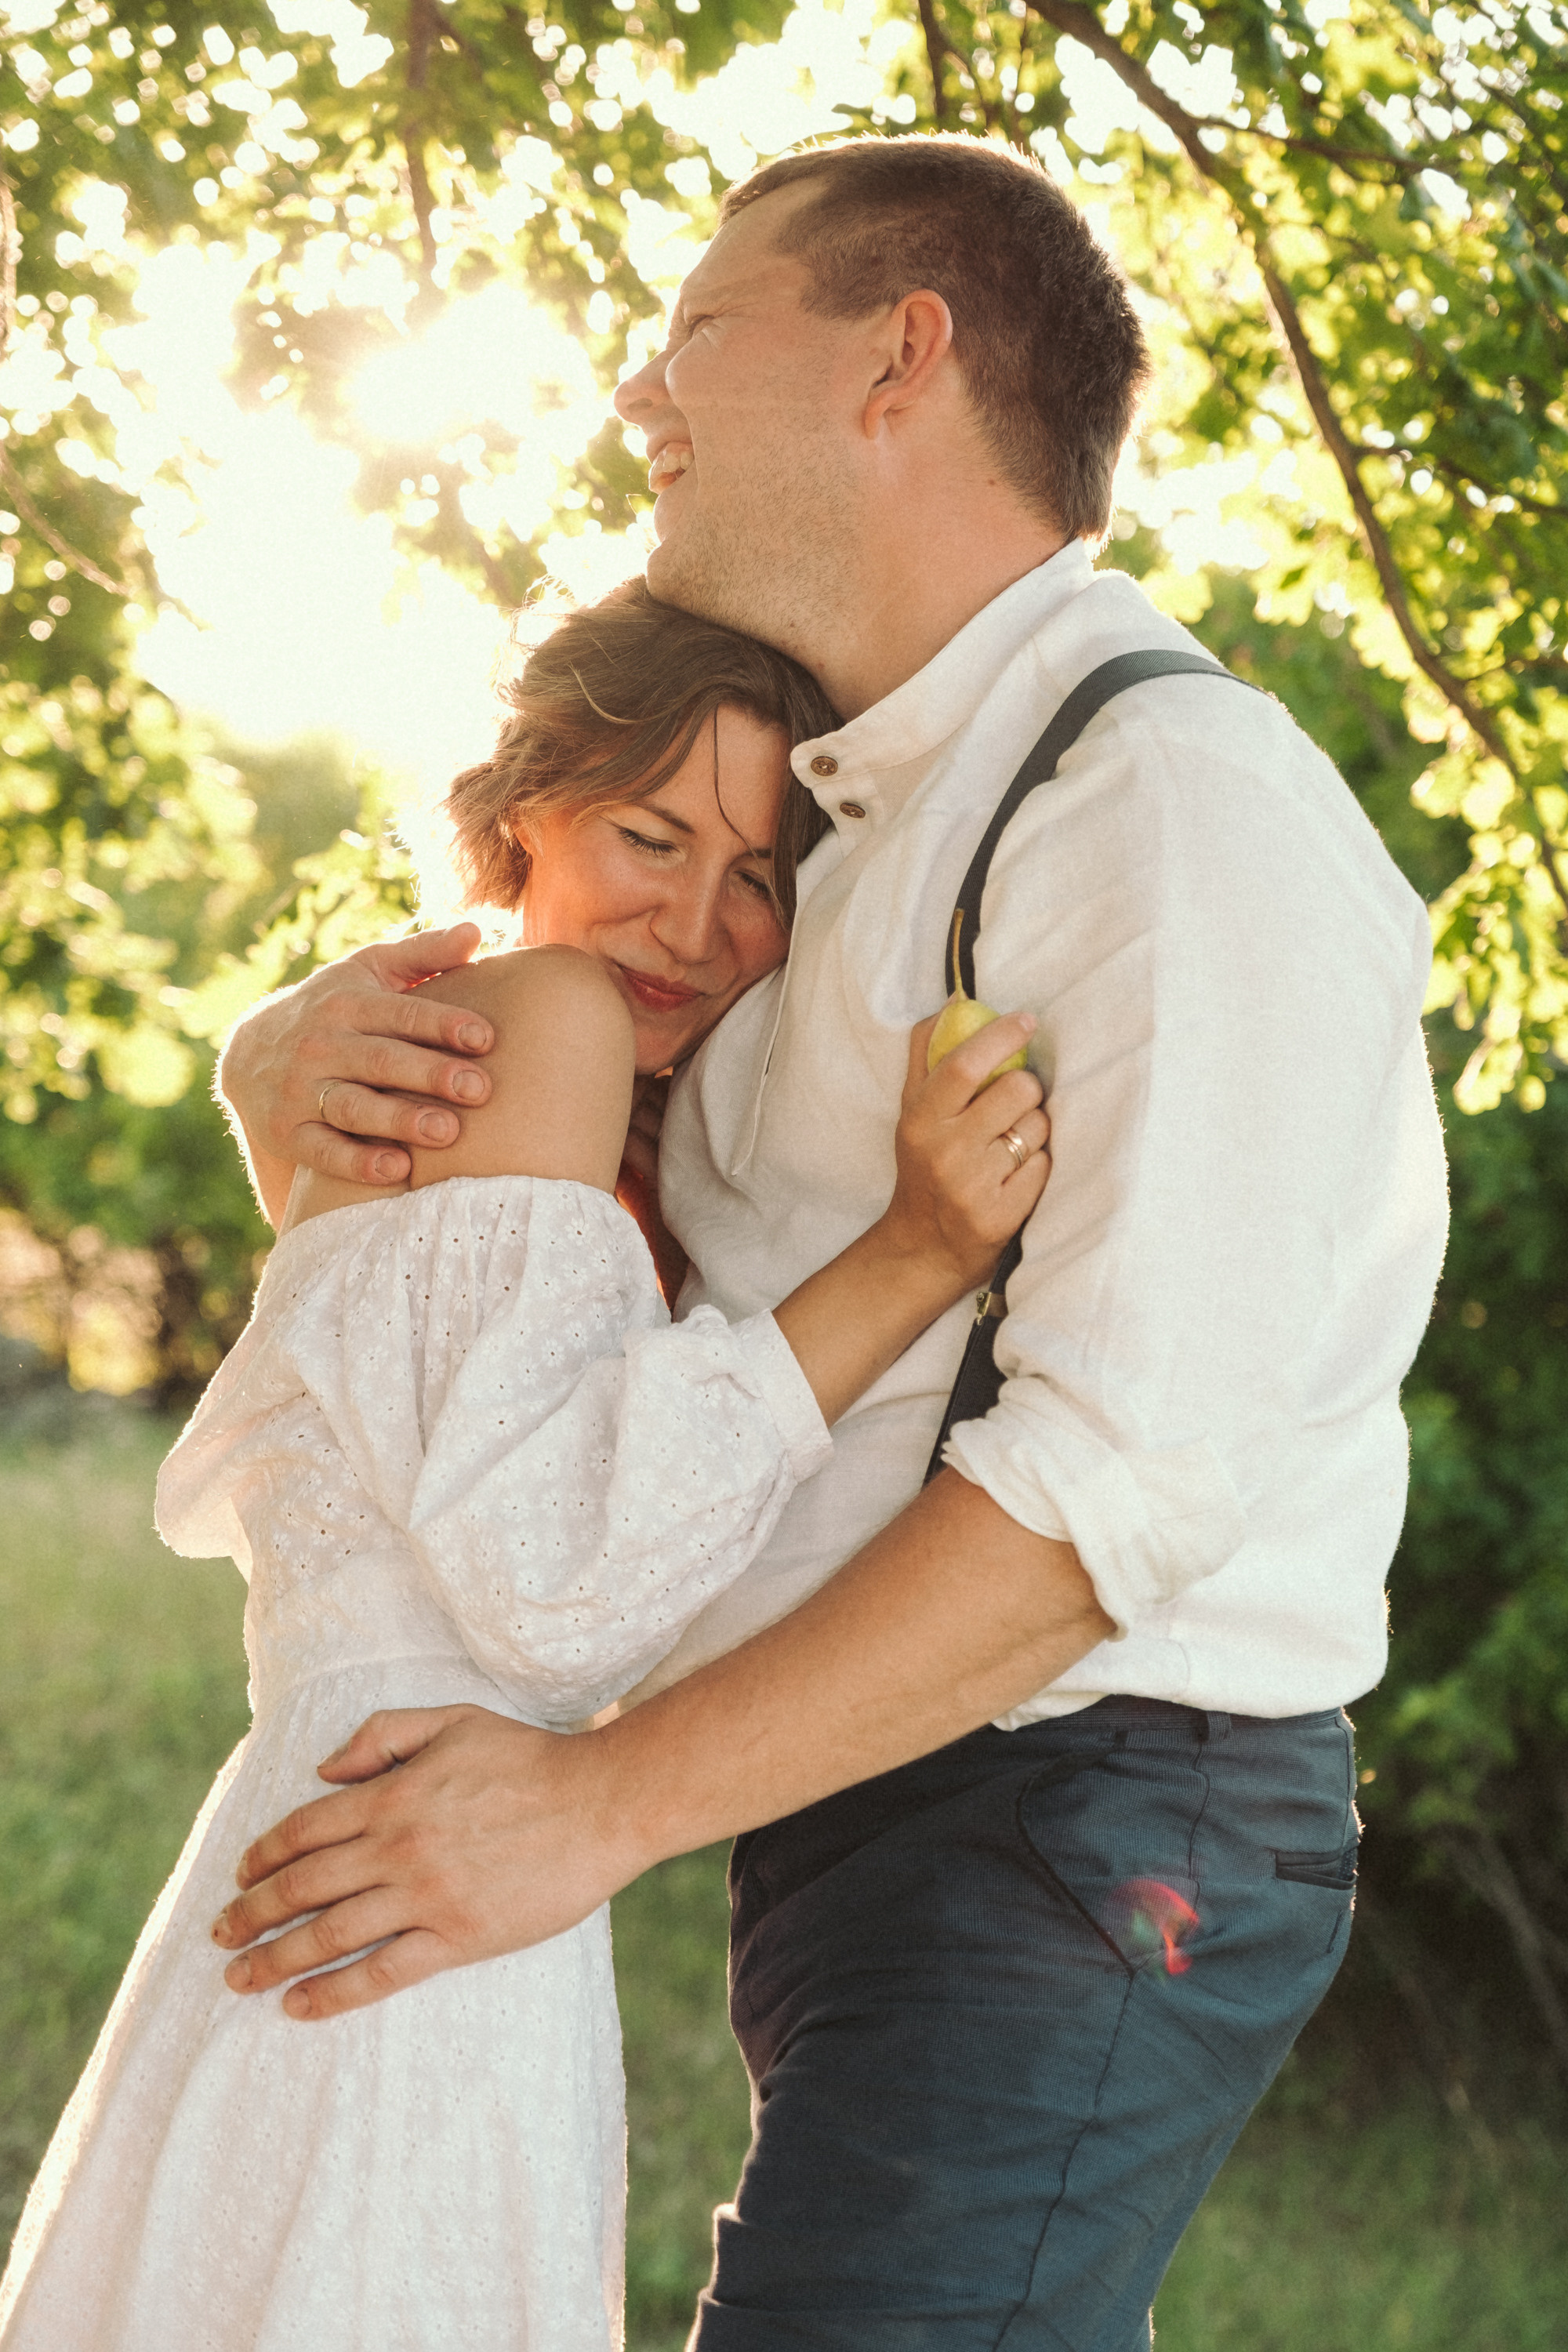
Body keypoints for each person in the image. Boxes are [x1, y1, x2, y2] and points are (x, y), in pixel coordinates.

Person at [205, 136, 1450, 2348]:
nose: (636, 397)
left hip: (1089, 1803)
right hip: (868, 1810)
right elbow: (548, 1315)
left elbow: (1114, 1492)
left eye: (691, 330)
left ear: (902, 355)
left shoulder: (1171, 805)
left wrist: (591, 1807)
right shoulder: (838, 830)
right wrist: (293, 1053)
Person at [0, 583, 1051, 2351]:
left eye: (756, 879)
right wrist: (915, 1257)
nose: (695, 923)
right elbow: (558, 1578)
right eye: (649, 833)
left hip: (370, 1856)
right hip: (408, 1879)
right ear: (518, 820)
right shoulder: (544, 1013)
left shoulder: (506, 1088)